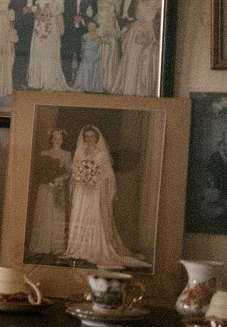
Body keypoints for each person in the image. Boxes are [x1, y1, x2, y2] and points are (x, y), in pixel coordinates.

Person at [62, 126, 146, 268]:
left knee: (95, 216)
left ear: (97, 137)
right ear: (84, 138)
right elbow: (75, 169)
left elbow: (108, 174)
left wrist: (94, 179)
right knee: (80, 215)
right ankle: (78, 248)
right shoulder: (80, 151)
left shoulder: (101, 153)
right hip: (82, 190)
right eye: (87, 136)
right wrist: (81, 177)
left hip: (95, 189)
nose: (89, 139)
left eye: (92, 136)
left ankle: (94, 248)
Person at [112, 0, 161, 96]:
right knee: (132, 56)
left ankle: (141, 90)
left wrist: (152, 29)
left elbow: (161, 18)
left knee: (145, 58)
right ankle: (129, 88)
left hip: (149, 31)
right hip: (136, 30)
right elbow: (136, 14)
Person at [27, 128, 73, 257]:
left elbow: (68, 171)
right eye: (55, 138)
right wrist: (48, 180)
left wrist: (59, 179)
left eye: (60, 138)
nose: (57, 140)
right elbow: (40, 171)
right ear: (51, 139)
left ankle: (57, 246)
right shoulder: (44, 153)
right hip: (46, 187)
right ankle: (42, 245)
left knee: (58, 213)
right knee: (45, 213)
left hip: (58, 187)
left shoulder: (66, 154)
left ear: (63, 140)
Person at [27, 0, 69, 90]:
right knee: (39, 48)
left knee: (50, 49)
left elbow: (61, 9)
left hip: (51, 22)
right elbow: (37, 5)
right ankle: (37, 80)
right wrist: (36, 10)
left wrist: (49, 13)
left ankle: (50, 79)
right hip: (40, 23)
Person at [61, 0, 97, 86]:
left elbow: (94, 10)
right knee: (67, 52)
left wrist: (82, 17)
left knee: (81, 52)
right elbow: (64, 7)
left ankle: (80, 80)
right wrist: (73, 18)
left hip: (83, 26)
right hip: (70, 25)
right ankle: (66, 79)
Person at [10, 0, 41, 90]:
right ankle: (14, 80)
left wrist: (32, 8)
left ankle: (22, 80)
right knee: (17, 50)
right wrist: (21, 8)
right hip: (19, 18)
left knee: (27, 50)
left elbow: (39, 2)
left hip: (31, 19)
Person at [97, 0, 122, 84]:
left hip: (110, 24)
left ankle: (108, 80)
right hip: (99, 23)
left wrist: (111, 14)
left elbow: (118, 12)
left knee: (110, 49)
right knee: (98, 48)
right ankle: (97, 80)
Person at [75, 19, 106, 93]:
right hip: (87, 56)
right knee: (86, 70)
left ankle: (94, 87)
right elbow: (83, 47)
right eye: (90, 26)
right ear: (88, 27)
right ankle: (84, 86)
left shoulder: (99, 37)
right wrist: (83, 54)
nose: (91, 28)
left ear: (96, 27)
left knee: (94, 71)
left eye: (93, 26)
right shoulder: (84, 36)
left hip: (95, 56)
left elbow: (100, 46)